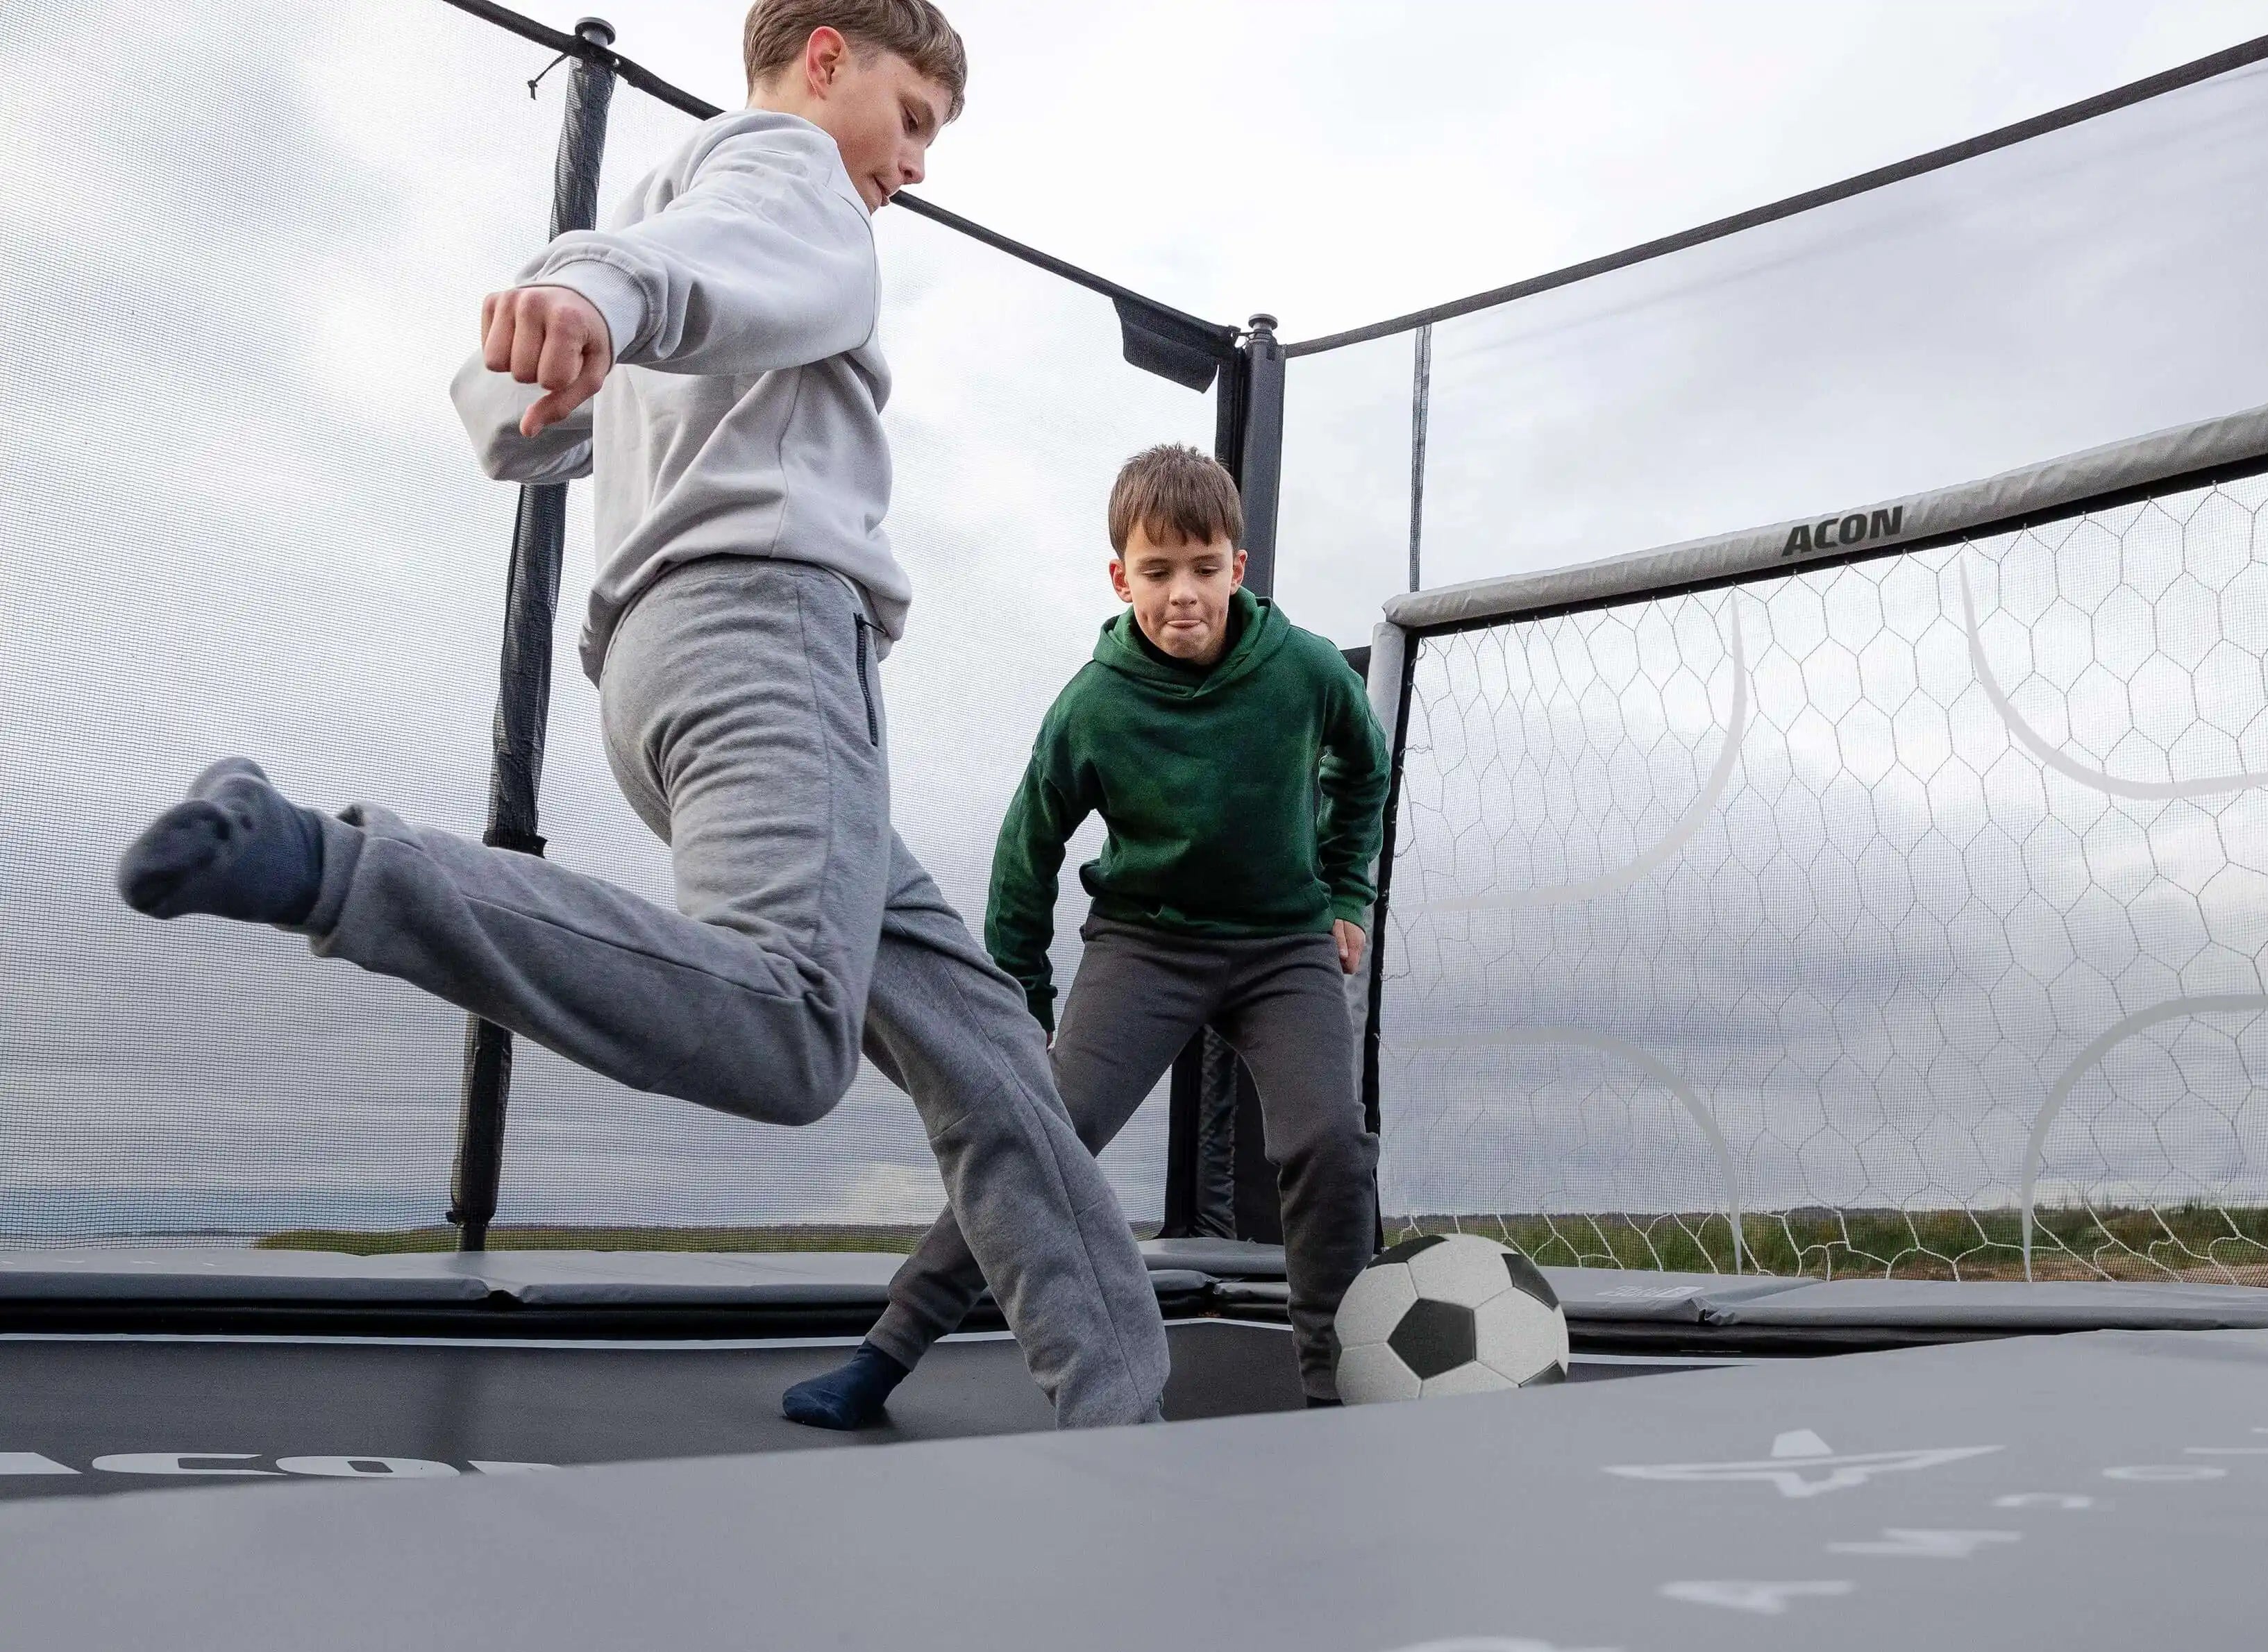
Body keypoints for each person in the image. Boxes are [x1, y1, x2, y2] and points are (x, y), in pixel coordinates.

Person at [112, 0, 1170, 1430]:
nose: (916, 167)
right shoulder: (787, 174)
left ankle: (1120, 1404)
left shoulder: (682, 204)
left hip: (680, 673)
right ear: (824, 58)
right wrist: (606, 291)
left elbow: (503, 417)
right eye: (913, 119)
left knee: (975, 1035)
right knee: (793, 1029)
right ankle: (332, 865)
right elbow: (700, 261)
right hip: (769, 649)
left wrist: (583, 314)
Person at [784, 444, 1390, 1427]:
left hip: (1283, 948)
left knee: (1329, 1141)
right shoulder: (1094, 705)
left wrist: (1347, 894)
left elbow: (1363, 770)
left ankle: (1336, 1389)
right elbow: (1029, 849)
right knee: (1038, 1134)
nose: (1182, 594)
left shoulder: (1305, 671)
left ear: (1238, 567)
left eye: (1203, 568)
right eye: (1157, 572)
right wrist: (1019, 1010)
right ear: (1122, 578)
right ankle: (887, 1350)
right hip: (1146, 946)